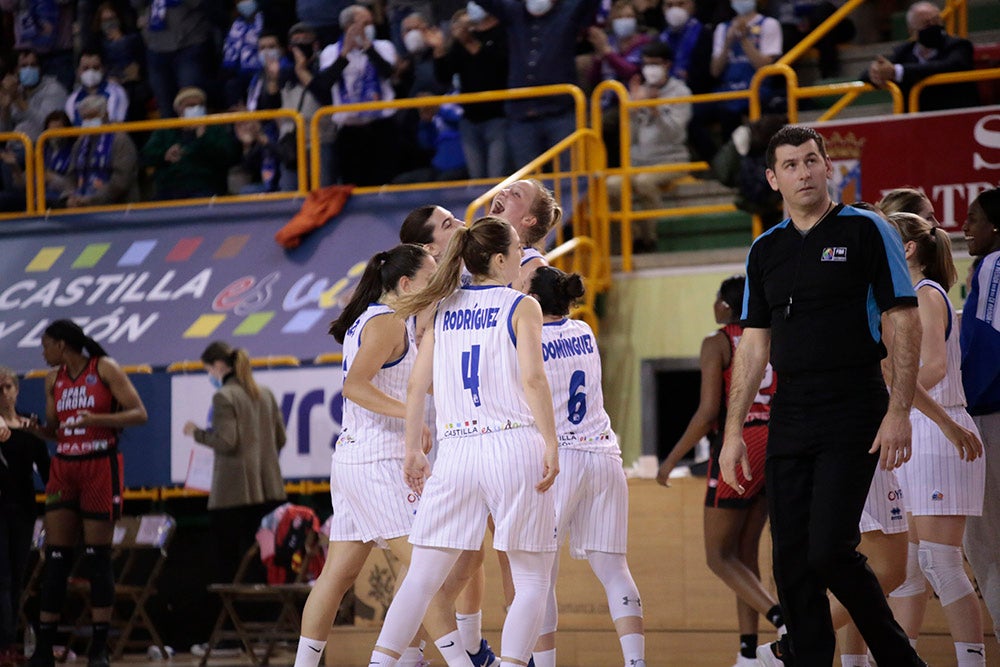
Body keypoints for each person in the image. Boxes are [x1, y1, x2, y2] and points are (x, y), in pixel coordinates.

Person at [718, 125, 926, 667]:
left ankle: (902, 662)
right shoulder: (764, 249)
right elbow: (753, 346)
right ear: (773, 179)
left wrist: (899, 410)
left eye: (812, 160)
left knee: (830, 550)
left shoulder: (866, 229)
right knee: (789, 561)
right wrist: (733, 433)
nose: (804, 172)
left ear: (827, 166)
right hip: (791, 411)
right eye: (791, 165)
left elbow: (902, 319)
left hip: (854, 403)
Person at [367, 216, 560, 667]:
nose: (521, 255)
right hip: (511, 445)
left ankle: (381, 663)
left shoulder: (442, 306)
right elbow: (533, 380)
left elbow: (417, 386)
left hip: (456, 451)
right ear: (498, 259)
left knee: (422, 577)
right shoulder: (520, 305)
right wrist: (551, 441)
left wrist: (413, 448)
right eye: (516, 248)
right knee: (532, 579)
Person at [295, 243, 465, 667]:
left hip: (355, 459)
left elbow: (404, 384)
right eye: (430, 278)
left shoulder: (383, 320)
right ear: (406, 284)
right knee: (428, 568)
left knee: (337, 577)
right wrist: (411, 414)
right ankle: (451, 660)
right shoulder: (387, 322)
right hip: (378, 461)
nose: (437, 285)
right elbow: (355, 386)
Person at [874, 211, 987, 666]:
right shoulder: (901, 297)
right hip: (919, 428)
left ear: (907, 250)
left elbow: (936, 367)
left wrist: (903, 404)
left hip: (941, 428)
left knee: (942, 563)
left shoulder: (925, 293)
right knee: (909, 568)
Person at [655, 275, 784, 667]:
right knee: (744, 553)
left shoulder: (719, 341)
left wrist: (672, 458)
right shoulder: (771, 335)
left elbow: (709, 411)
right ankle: (748, 652)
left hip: (740, 442)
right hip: (777, 442)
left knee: (718, 556)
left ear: (726, 307)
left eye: (716, 298)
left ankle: (782, 620)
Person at [527, 266, 645, 667]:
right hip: (604, 454)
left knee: (540, 575)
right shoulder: (584, 332)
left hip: (560, 457)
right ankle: (635, 662)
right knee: (614, 569)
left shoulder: (529, 339)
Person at [27, 319, 148, 667]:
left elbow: (139, 414)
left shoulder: (104, 368)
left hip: (99, 463)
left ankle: (99, 647)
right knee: (56, 558)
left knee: (97, 557)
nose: (43, 351)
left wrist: (96, 418)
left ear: (62, 345)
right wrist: (38, 430)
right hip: (65, 466)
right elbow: (58, 430)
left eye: (46, 344)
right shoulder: (53, 380)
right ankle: (44, 648)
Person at [472, 0, 601, 169]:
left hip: (560, 112)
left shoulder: (568, 11)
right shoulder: (514, 12)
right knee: (527, 185)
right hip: (521, 115)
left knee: (569, 181)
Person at [606, 40, 692, 254]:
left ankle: (650, 240)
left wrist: (655, 109)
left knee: (644, 182)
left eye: (655, 63)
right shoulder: (639, 92)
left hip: (671, 159)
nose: (649, 69)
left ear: (667, 65)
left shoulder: (681, 92)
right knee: (611, 185)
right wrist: (632, 109)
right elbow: (630, 138)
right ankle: (632, 239)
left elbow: (675, 133)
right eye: (646, 64)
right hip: (638, 162)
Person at [960, 187, 1000, 645]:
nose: (966, 228)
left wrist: (960, 406)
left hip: (990, 415)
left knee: (984, 545)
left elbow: (988, 344)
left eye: (975, 219)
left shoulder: (992, 266)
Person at [310, 4, 401, 186]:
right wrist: (344, 53)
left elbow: (389, 73)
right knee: (354, 184)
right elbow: (325, 82)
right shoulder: (331, 52)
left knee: (386, 182)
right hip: (350, 131)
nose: (369, 27)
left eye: (370, 23)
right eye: (364, 23)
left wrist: (368, 47)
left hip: (382, 127)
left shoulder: (383, 46)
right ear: (348, 27)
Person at [688, 0, 782, 164]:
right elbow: (715, 71)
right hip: (726, 90)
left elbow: (764, 66)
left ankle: (746, 165)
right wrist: (727, 42)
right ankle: (716, 161)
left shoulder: (769, 24)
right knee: (691, 115)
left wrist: (744, 39)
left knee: (731, 115)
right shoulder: (722, 28)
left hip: (757, 90)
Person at [0, 367, 50, 665]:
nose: (4, 393)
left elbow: (45, 469)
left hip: (23, 509)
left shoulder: (29, 425)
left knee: (17, 578)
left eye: (8, 387)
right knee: (2, 578)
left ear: (16, 390)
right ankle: (4, 644)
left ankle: (11, 640)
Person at [429, 4, 510, 180]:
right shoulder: (459, 44)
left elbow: (497, 69)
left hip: (497, 117)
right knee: (476, 177)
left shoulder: (500, 34)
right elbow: (443, 77)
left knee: (497, 175)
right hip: (470, 120)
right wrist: (439, 50)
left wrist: (471, 43)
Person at [861, 0, 977, 112]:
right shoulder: (903, 52)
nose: (933, 27)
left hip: (955, 116)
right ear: (912, 31)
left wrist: (897, 72)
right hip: (915, 121)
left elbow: (949, 66)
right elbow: (865, 76)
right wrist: (876, 71)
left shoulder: (959, 46)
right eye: (927, 24)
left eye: (937, 21)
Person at [141, 87, 241, 200]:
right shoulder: (166, 130)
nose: (195, 109)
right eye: (190, 106)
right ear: (179, 109)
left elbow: (229, 156)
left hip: (206, 188)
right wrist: (165, 155)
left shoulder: (214, 129)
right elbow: (146, 156)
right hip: (170, 189)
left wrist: (203, 138)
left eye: (199, 105)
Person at [60, 95, 140, 208]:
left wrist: (92, 200)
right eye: (85, 118)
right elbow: (71, 175)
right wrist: (70, 196)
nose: (88, 121)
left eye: (92, 117)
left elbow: (121, 181)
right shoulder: (80, 142)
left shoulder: (120, 140)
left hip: (117, 207)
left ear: (105, 115)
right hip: (82, 204)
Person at [488, 178, 563, 292]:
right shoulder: (472, 247)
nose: (503, 191)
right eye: (507, 188)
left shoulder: (533, 267)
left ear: (528, 219)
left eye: (516, 194)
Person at [0, 50, 68, 141]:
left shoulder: (54, 89)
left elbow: (48, 127)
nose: (29, 69)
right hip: (13, 148)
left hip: (40, 147)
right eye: (24, 66)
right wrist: (5, 109)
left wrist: (19, 101)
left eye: (33, 65)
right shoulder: (15, 89)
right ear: (16, 71)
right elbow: (3, 133)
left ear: (40, 69)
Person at [658, 0, 714, 95]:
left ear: (692, 5)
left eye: (681, 4)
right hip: (665, 94)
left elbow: (706, 74)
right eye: (669, 5)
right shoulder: (662, 37)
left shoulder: (703, 33)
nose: (675, 10)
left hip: (697, 94)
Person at [64, 52, 129, 126]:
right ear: (78, 71)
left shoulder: (117, 92)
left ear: (103, 69)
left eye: (96, 68)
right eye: (85, 68)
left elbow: (117, 126)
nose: (91, 72)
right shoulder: (72, 100)